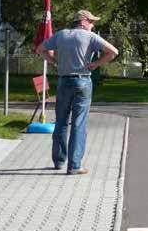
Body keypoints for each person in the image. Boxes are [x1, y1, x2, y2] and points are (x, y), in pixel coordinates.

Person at [36, 10, 119, 175]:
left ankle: (59, 161)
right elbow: (113, 52)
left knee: (60, 122)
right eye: (91, 22)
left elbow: (40, 49)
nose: (93, 25)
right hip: (82, 81)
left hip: (63, 81)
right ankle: (74, 166)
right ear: (83, 21)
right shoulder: (90, 37)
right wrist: (96, 64)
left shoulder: (61, 35)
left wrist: (53, 61)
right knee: (78, 124)